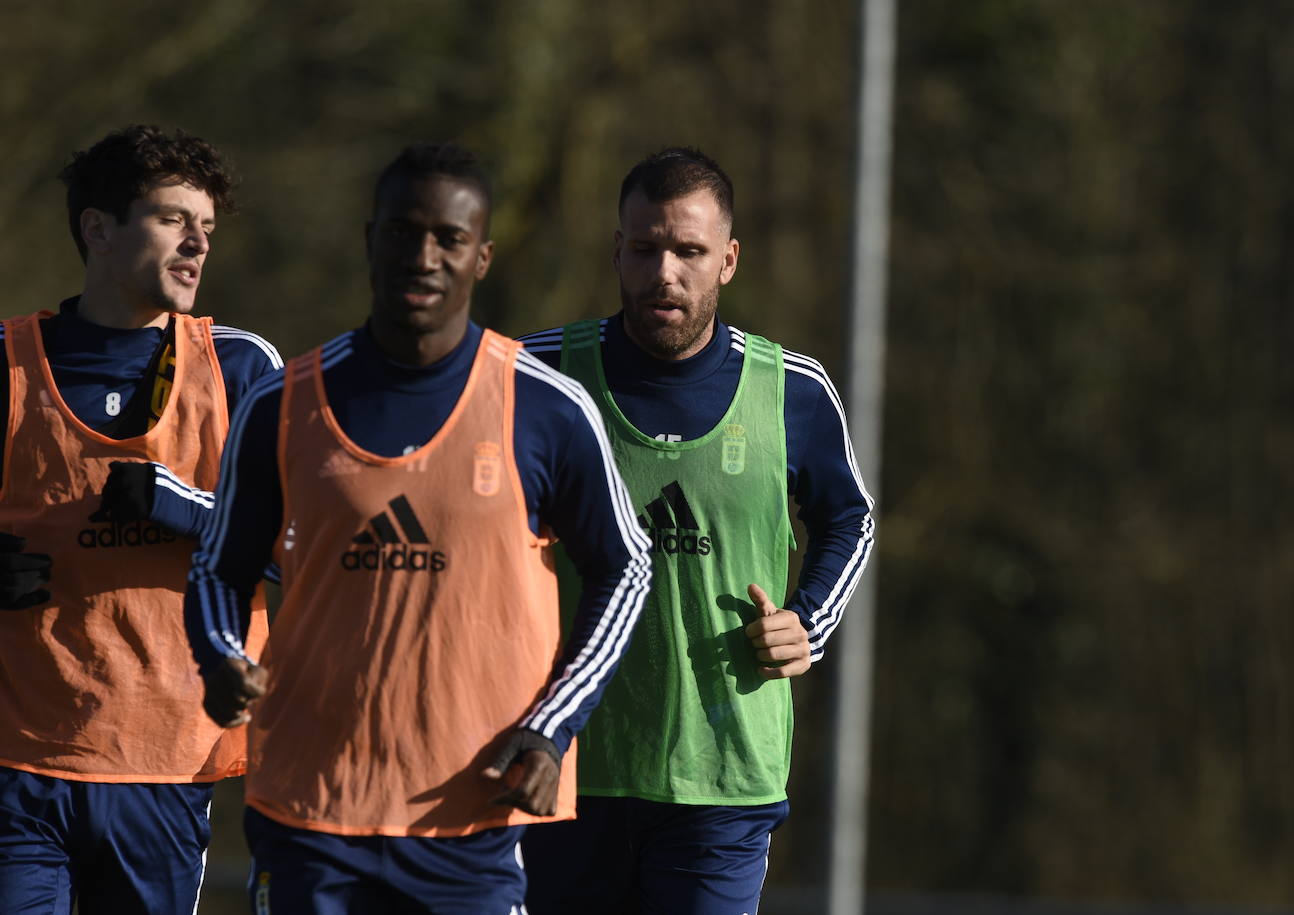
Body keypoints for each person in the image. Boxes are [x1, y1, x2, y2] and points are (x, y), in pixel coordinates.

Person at [183, 141, 652, 913]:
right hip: (310, 810)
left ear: (483, 257)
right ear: (371, 239)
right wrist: (221, 655)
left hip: (467, 817)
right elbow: (216, 567)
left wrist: (552, 726)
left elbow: (628, 567)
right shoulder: (281, 403)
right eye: (404, 232)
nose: (423, 255)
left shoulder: (546, 408)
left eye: (449, 238)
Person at [518, 147, 876, 915]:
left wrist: (806, 621)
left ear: (729, 260)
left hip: (724, 770)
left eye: (689, 251)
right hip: (567, 761)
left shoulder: (793, 390)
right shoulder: (538, 376)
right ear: (617, 250)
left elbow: (853, 516)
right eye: (645, 249)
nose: (665, 272)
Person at [0, 124, 280, 914]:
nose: (197, 245)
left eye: (208, 229)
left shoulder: (240, 366)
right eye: (171, 220)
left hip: (167, 762)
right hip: (19, 762)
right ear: (98, 228)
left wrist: (181, 505)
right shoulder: (8, 363)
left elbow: (307, 551)